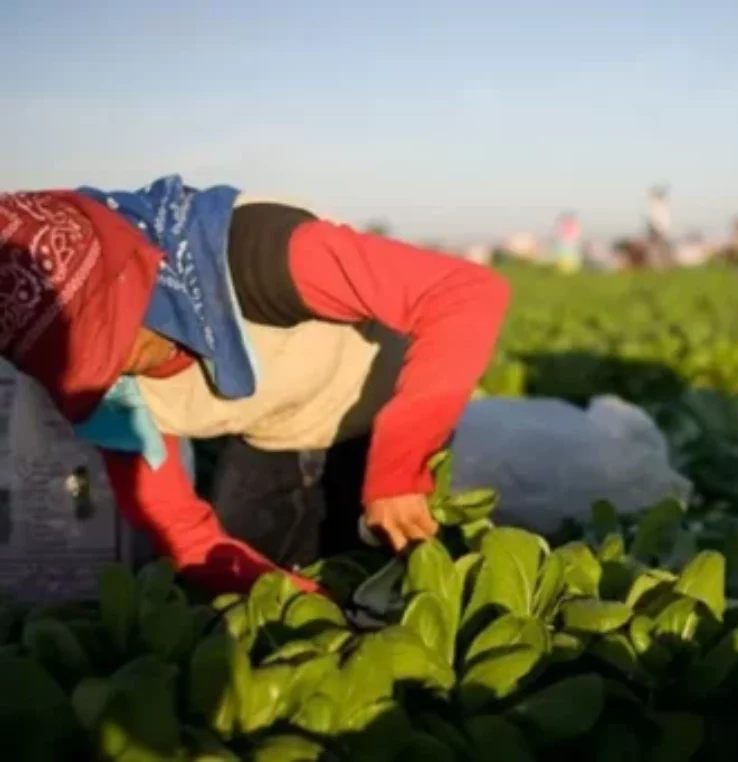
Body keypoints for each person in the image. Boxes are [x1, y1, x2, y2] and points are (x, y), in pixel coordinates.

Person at [0, 176, 509, 595]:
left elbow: (465, 293)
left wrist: (398, 470)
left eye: (114, 348)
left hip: (389, 418)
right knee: (250, 589)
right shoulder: (90, 384)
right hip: (273, 436)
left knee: (416, 583)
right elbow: (180, 529)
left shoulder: (258, 257)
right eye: (82, 370)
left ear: (138, 283)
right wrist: (302, 604)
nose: (108, 378)